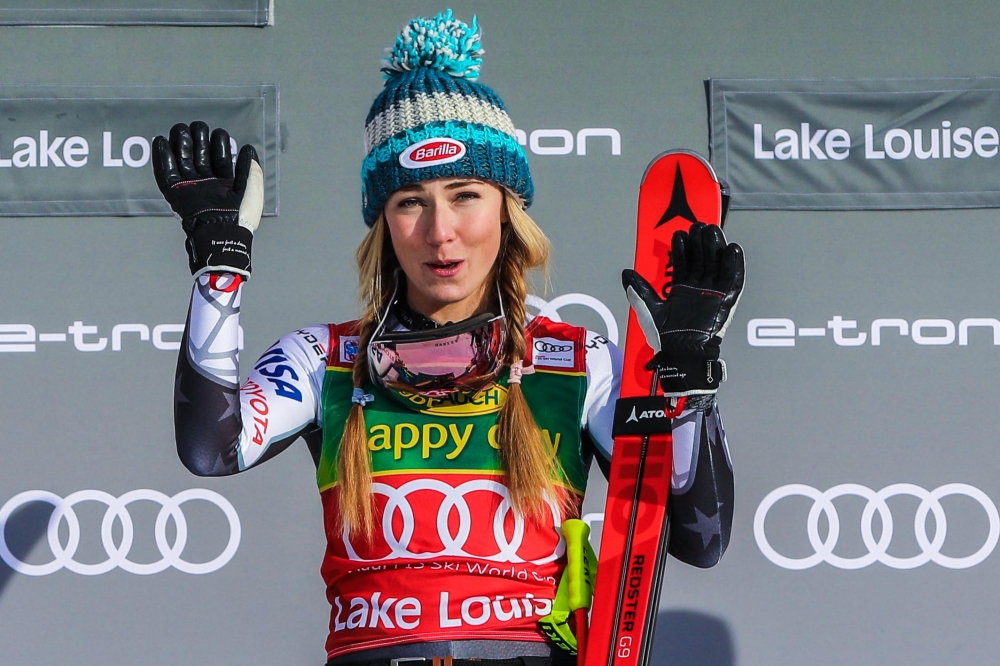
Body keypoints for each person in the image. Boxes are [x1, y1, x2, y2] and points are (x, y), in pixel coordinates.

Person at [151, 9, 741, 666]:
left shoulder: (578, 363)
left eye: (465, 195)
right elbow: (211, 447)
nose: (440, 231)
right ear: (382, 223)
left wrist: (687, 382)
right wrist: (220, 269)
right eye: (410, 201)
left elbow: (697, 535)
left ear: (507, 210)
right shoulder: (325, 359)